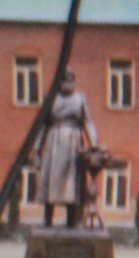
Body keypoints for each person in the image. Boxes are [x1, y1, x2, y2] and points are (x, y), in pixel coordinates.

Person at [33, 69, 98, 228]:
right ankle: (47, 219)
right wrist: (37, 147)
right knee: (50, 180)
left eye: (70, 80)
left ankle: (71, 221)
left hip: (73, 141)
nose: (67, 84)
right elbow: (43, 124)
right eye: (64, 80)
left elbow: (87, 121)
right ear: (60, 82)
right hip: (54, 141)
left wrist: (94, 143)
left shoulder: (80, 99)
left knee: (71, 182)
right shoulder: (52, 98)